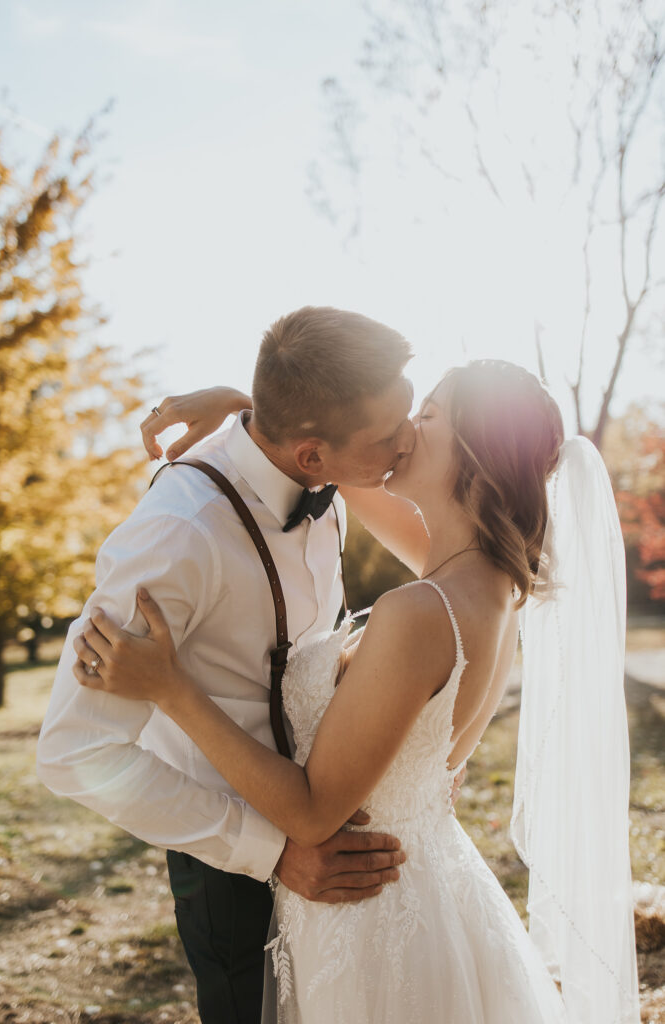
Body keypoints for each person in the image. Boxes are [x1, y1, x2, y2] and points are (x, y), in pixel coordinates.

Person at [71, 359, 641, 1023]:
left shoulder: (422, 611)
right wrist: (249, 410)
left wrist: (171, 689)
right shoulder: (489, 577)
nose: (403, 430)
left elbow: (313, 814)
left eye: (427, 416)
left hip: (370, 916)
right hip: (424, 885)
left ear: (474, 462)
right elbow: (336, 462)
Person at [37, 306, 430, 1024]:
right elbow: (74, 750)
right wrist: (273, 852)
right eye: (387, 435)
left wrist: (247, 407)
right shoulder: (174, 538)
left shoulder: (328, 470)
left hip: (346, 826)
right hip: (233, 866)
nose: (409, 445)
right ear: (311, 454)